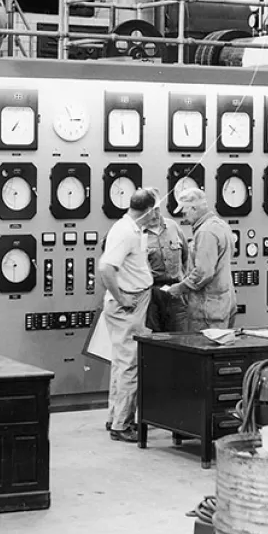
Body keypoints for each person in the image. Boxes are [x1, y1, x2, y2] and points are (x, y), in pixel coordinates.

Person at [97, 188, 156, 442]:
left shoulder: (132, 229)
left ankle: (116, 416)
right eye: (157, 211)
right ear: (149, 211)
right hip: (127, 306)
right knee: (130, 364)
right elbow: (106, 269)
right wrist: (122, 297)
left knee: (122, 363)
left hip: (134, 301)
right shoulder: (124, 231)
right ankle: (122, 425)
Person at [165, 187, 237, 332]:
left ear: (194, 209)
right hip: (223, 303)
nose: (184, 218)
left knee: (203, 350)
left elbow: (203, 273)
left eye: (185, 212)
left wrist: (180, 288)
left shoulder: (205, 232)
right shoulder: (221, 225)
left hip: (207, 310)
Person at [141, 189, 190, 333]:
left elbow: (186, 257)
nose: (154, 215)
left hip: (175, 293)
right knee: (153, 341)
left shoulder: (173, 227)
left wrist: (183, 284)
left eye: (156, 209)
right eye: (149, 211)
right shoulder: (136, 233)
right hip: (150, 296)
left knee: (180, 339)